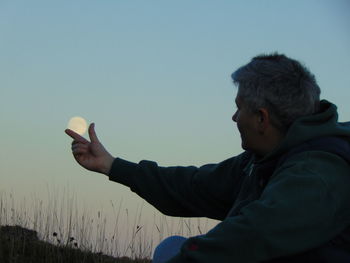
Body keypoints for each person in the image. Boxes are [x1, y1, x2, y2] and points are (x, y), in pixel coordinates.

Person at [65, 53, 350, 263]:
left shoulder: (317, 177)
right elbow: (192, 186)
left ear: (262, 118)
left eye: (239, 109)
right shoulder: (260, 160)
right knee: (170, 247)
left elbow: (245, 239)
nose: (234, 117)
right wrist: (112, 165)